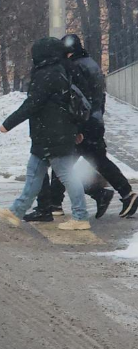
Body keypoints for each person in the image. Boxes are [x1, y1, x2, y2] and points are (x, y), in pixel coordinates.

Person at [24, 33, 138, 221]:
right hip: (94, 121)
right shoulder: (90, 64)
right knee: (88, 162)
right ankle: (115, 195)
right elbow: (97, 96)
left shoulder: (74, 67)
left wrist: (75, 126)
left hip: (83, 124)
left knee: (63, 164)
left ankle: (113, 195)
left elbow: (75, 99)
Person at [0, 37, 90, 231]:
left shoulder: (47, 73)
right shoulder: (59, 71)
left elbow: (33, 104)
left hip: (53, 135)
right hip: (50, 134)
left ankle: (80, 217)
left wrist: (8, 124)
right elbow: (63, 104)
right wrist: (76, 130)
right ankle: (16, 211)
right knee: (34, 173)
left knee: (66, 174)